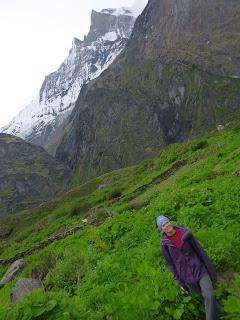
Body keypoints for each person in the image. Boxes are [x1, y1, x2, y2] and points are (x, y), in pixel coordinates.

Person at [156, 215, 222, 320]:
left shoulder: (185, 234)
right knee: (205, 298)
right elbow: (170, 264)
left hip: (200, 270)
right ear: (161, 229)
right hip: (187, 276)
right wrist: (179, 281)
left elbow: (200, 250)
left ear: (170, 222)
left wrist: (210, 268)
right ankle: (220, 313)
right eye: (163, 225)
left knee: (209, 295)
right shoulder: (165, 244)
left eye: (167, 222)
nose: (166, 225)